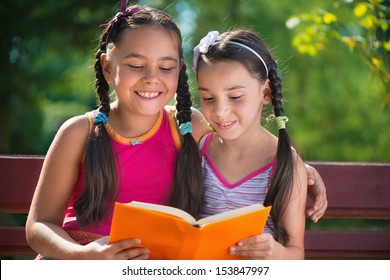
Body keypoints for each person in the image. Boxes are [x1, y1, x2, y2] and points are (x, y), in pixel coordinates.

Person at [26, 2, 326, 260]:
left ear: (179, 70)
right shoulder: (80, 132)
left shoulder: (186, 126)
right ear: (107, 67)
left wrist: (301, 170)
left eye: (166, 67)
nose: (151, 79)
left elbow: (241, 136)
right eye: (135, 65)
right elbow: (38, 226)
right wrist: (82, 256)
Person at [193, 29, 309, 259]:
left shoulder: (284, 164)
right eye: (208, 98)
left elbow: (296, 255)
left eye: (235, 97)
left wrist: (274, 252)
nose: (220, 111)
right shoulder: (198, 143)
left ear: (265, 92)